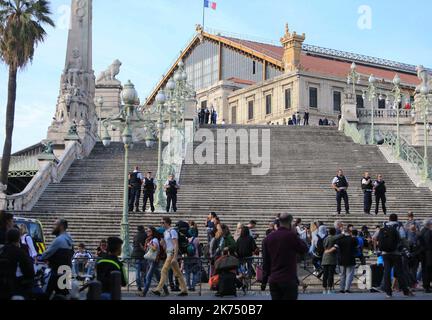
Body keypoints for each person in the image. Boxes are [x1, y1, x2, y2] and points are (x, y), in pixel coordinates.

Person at [262, 213, 308, 300]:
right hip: (289, 278)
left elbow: (265, 262)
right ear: (290, 222)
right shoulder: (292, 236)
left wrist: (264, 281)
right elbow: (305, 249)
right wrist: (295, 234)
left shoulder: (267, 239)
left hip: (274, 278)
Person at [376, 214, 413, 298]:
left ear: (389, 219)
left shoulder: (383, 226)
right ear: (397, 219)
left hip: (385, 253)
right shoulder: (398, 226)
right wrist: (405, 249)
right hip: (396, 253)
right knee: (400, 272)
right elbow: (403, 238)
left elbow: (375, 237)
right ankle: (405, 291)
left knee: (387, 272)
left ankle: (388, 293)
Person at [152, 217, 188, 297]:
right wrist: (163, 243)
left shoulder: (173, 231)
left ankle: (158, 289)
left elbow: (176, 244)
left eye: (163, 222)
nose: (161, 224)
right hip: (168, 253)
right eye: (161, 222)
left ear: (167, 223)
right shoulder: (165, 232)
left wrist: (175, 257)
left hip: (172, 253)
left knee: (163, 270)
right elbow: (166, 246)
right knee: (177, 273)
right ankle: (184, 290)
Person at [39, 219, 74, 298]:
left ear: (61, 227)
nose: (52, 227)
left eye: (55, 225)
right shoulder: (69, 239)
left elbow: (45, 255)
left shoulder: (59, 240)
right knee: (62, 295)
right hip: (66, 271)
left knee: (45, 294)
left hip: (57, 272)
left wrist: (40, 257)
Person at [0, 228, 35, 300]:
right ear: (18, 239)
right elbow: (30, 272)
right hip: (15, 287)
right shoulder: (20, 253)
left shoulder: (2, 250)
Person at [336, 228, 358, 293]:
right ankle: (347, 288)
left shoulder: (339, 240)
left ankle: (341, 289)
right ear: (350, 233)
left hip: (341, 259)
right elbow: (357, 248)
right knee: (349, 274)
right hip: (350, 259)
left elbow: (336, 248)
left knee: (342, 274)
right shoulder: (353, 239)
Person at [321, 227, 340, 294]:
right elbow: (336, 247)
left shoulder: (325, 238)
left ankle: (324, 289)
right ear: (334, 233)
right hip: (332, 258)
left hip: (324, 258)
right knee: (331, 274)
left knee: (325, 274)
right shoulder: (334, 238)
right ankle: (330, 289)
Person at [132, 226, 147, 292]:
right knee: (144, 272)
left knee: (137, 272)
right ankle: (146, 285)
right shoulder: (145, 235)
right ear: (143, 229)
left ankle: (139, 287)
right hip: (143, 255)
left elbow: (133, 245)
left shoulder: (135, 236)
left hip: (136, 255)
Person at [418, 220, 432, 293]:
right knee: (428, 270)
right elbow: (429, 243)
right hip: (428, 253)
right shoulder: (429, 232)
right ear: (429, 225)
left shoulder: (421, 231)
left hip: (422, 253)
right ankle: (427, 286)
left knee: (424, 269)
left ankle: (425, 285)